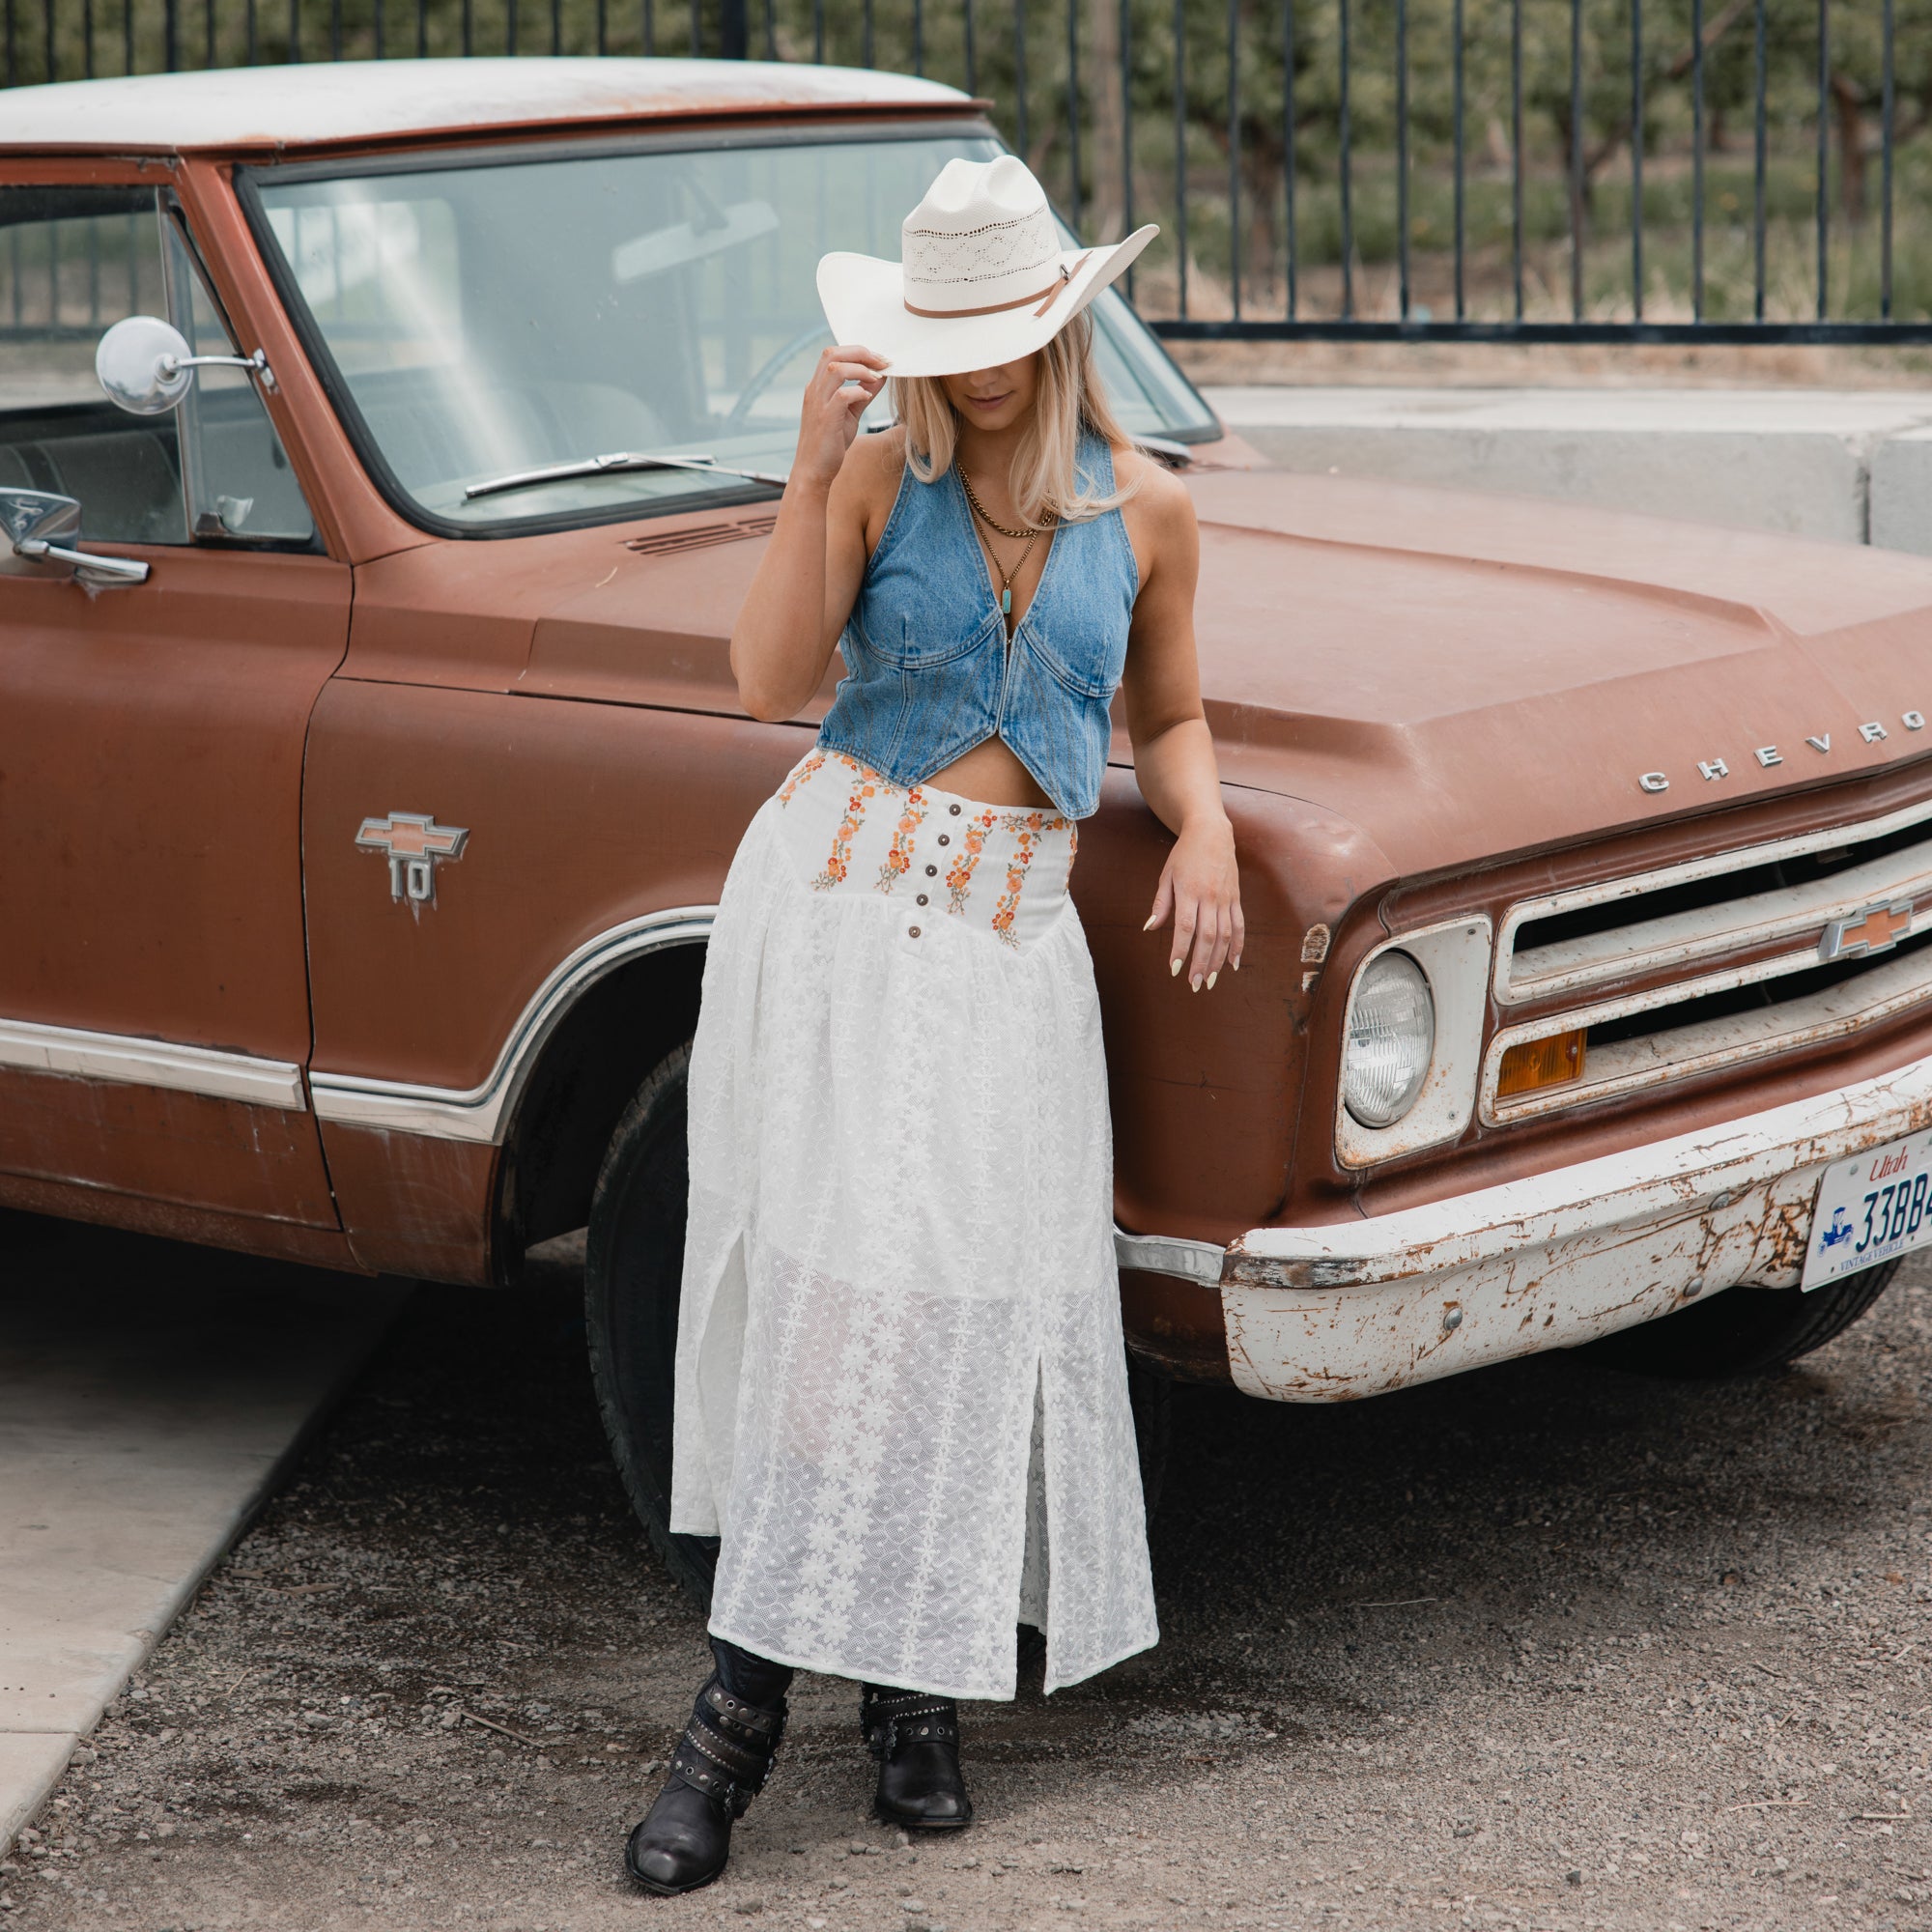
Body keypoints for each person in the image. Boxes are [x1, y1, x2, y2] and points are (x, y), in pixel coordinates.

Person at [623, 153, 1245, 1897]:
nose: (975, 368)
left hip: (1008, 950)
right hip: (835, 921)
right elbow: (767, 683)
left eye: (1001, 332)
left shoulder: (1151, 509)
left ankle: (915, 1689)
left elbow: (1170, 717)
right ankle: (732, 1728)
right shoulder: (880, 474)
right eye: (945, 337)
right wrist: (809, 466)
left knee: (966, 1310)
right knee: (832, 1316)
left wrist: (1204, 824)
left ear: (1059, 322)